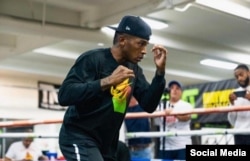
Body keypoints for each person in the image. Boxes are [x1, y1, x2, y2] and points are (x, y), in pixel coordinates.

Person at [57, 15, 167, 161]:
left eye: (146, 45)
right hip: (79, 137)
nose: (144, 51)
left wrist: (159, 74)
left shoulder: (133, 70)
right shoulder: (93, 59)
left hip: (107, 145)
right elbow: (65, 95)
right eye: (140, 44)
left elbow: (149, 105)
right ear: (122, 40)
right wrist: (107, 81)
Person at [154, 80, 193, 160]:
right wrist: (160, 113)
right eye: (172, 88)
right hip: (165, 146)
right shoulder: (162, 105)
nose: (174, 90)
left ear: (181, 92)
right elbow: (155, 121)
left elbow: (187, 118)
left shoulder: (186, 105)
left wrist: (174, 113)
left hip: (182, 145)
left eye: (177, 88)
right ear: (169, 91)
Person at [228, 64, 250, 145]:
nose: (239, 79)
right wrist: (232, 104)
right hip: (239, 134)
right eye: (236, 77)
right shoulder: (235, 93)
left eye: (241, 74)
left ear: (249, 73)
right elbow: (232, 121)